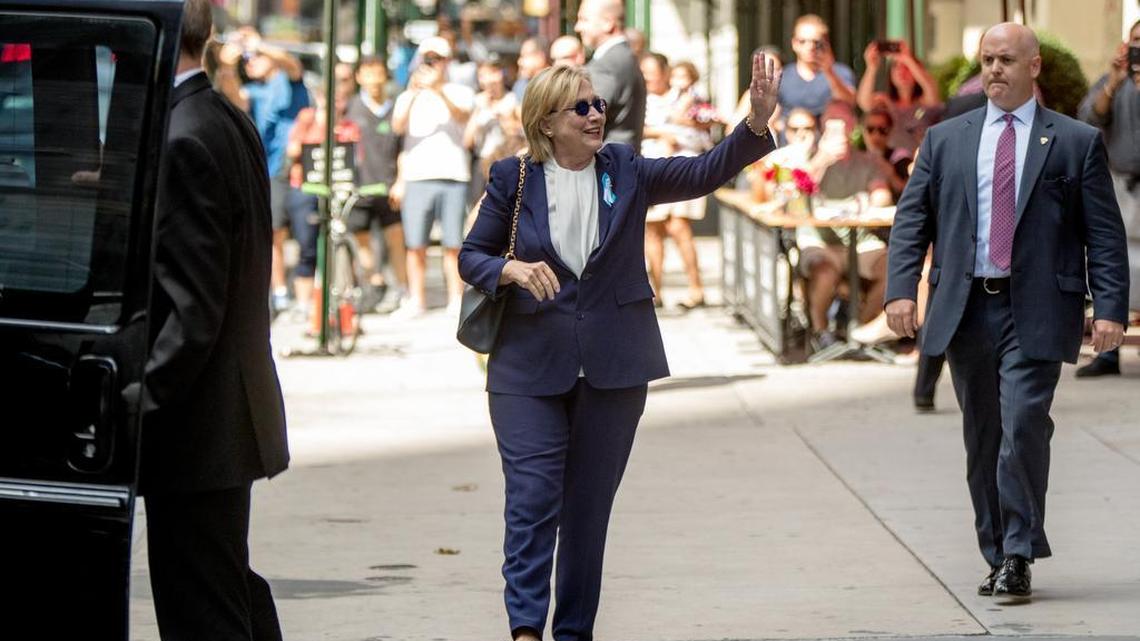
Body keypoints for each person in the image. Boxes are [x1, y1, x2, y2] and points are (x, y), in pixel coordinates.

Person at [458, 56, 780, 641]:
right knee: (532, 499)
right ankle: (526, 629)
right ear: (547, 121)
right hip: (527, 365)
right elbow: (471, 255)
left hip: (613, 365)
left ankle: (573, 632)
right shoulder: (513, 178)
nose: (595, 113)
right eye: (580, 106)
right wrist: (510, 271)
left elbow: (701, 173)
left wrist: (753, 127)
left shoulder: (625, 168)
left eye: (598, 104)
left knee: (587, 512)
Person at [886, 23, 1129, 599]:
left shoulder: (1072, 141)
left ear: (1035, 67)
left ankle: (1018, 552)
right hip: (967, 308)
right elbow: (912, 219)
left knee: (1023, 425)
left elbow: (1104, 233)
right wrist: (900, 290)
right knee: (984, 437)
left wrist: (1110, 308)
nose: (994, 70)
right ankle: (996, 551)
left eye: (1006, 60)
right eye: (987, 60)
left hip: (1039, 309)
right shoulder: (947, 139)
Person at [142, 0, 289, 638]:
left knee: (202, 605)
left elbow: (192, 312)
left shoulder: (183, 135)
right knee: (225, 587)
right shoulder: (219, 115)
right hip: (228, 413)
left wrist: (136, 396)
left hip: (199, 424)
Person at [215, 26, 308, 314]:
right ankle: (278, 291)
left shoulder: (288, 81)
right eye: (247, 58)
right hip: (265, 171)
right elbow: (235, 97)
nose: (250, 61)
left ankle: (297, 295)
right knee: (272, 233)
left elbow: (292, 64)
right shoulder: (253, 90)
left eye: (255, 57)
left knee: (296, 236)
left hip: (292, 169)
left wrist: (257, 44)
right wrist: (227, 64)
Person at [1073, 19, 1140, 377]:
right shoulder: (1112, 81)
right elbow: (1088, 118)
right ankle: (1109, 353)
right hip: (1122, 185)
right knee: (1116, 265)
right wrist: (1115, 81)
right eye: (1135, 41)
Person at [391, 36, 476, 317]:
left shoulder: (459, 91)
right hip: (417, 176)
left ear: (448, 62)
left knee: (454, 243)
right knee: (416, 244)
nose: (433, 64)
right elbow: (397, 126)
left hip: (453, 175)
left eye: (438, 59)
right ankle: (417, 299)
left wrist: (438, 90)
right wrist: (416, 90)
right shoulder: (408, 95)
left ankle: (455, 298)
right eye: (428, 58)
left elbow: (463, 117)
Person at [284, 63, 361, 325]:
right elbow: (293, 150)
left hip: (336, 192)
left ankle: (342, 306)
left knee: (338, 247)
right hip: (305, 187)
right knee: (307, 248)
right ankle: (304, 304)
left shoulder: (349, 125)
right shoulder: (307, 118)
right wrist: (318, 126)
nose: (335, 104)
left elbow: (354, 158)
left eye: (339, 100)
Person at [641, 55, 713, 309]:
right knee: (652, 230)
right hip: (651, 168)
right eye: (644, 72)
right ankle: (655, 292)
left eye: (652, 72)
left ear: (665, 73)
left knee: (679, 227)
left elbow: (704, 128)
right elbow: (637, 127)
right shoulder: (641, 98)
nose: (648, 77)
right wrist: (661, 132)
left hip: (683, 167)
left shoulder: (685, 96)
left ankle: (696, 289)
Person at [345, 55, 409, 312]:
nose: (373, 78)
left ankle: (402, 290)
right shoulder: (350, 109)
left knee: (395, 237)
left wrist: (401, 182)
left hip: (388, 185)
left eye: (378, 72)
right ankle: (374, 283)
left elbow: (403, 149)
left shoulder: (396, 111)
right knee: (361, 240)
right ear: (359, 77)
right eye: (367, 73)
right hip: (359, 186)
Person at [575, 0, 647, 147]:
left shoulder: (608, 64)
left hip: (607, 164)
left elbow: (582, 117)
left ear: (608, 23)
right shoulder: (622, 56)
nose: (577, 27)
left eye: (584, 19)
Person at [857, 39, 943, 151]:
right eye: (896, 66)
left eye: (906, 68)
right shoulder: (884, 102)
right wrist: (871, 67)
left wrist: (907, 59)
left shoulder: (925, 102)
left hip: (919, 162)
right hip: (892, 163)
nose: (901, 71)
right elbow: (864, 102)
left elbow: (931, 89)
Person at [778, 14, 856, 120]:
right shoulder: (782, 76)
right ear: (794, 44)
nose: (810, 47)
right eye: (803, 41)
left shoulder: (841, 73)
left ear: (826, 44)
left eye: (816, 42)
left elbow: (849, 102)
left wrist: (829, 71)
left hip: (831, 134)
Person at [512, 36, 550, 101]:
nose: (519, 62)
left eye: (524, 56)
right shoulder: (521, 85)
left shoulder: (557, 84)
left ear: (540, 57)